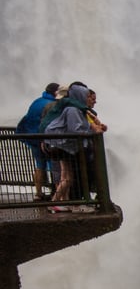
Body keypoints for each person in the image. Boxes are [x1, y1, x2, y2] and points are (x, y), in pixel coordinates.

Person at [42, 82, 93, 211]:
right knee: (67, 177)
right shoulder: (73, 110)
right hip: (59, 145)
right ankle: (55, 202)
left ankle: (64, 202)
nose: (89, 99)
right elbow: (75, 131)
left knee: (66, 176)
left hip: (59, 144)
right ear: (80, 96)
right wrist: (92, 132)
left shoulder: (74, 108)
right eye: (87, 96)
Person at [15, 82, 59, 199]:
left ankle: (38, 193)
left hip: (33, 138)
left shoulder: (36, 101)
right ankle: (57, 194)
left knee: (40, 166)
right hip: (46, 140)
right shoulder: (52, 104)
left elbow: (26, 118)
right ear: (55, 93)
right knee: (54, 166)